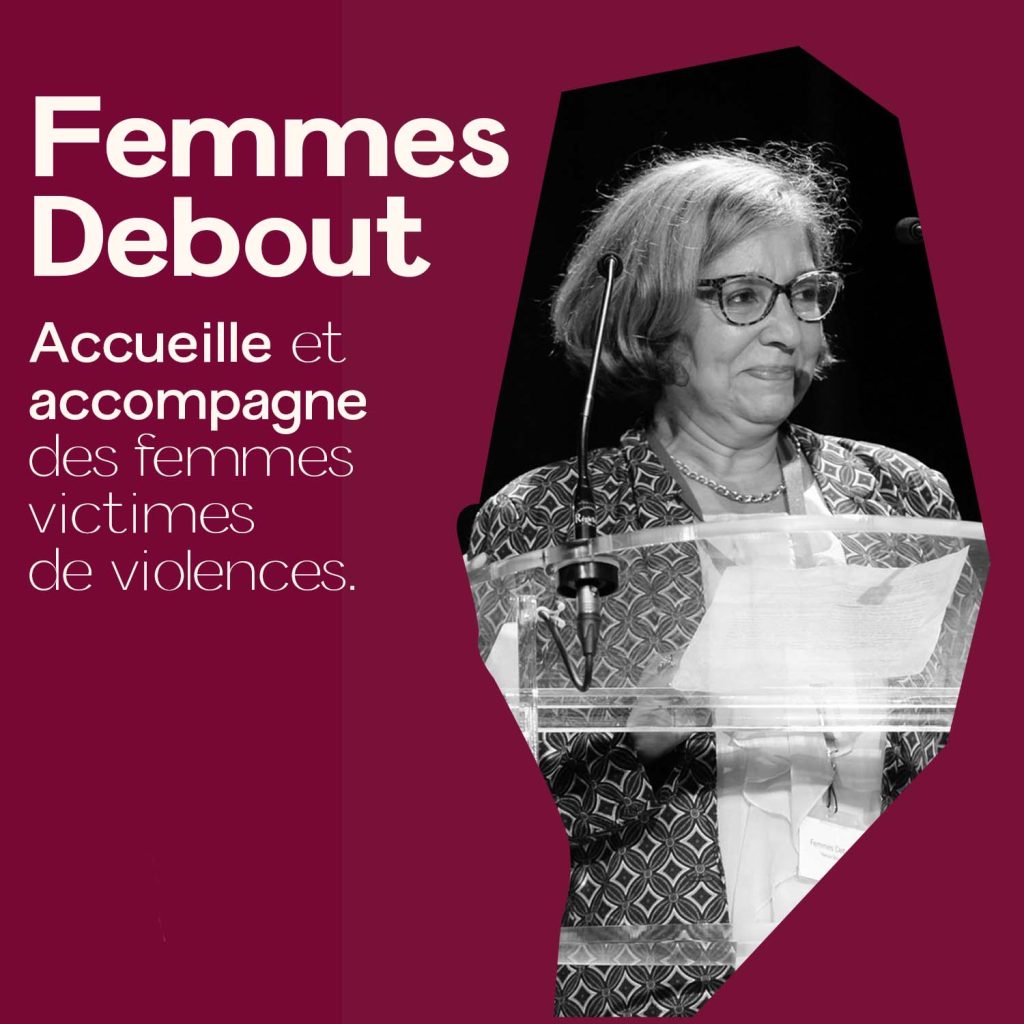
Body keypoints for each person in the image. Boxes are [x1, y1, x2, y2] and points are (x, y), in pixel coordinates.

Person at [468, 147, 974, 1017]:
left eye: (805, 294)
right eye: (742, 296)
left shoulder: (901, 497)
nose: (787, 331)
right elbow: (474, 834)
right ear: (652, 316)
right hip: (665, 994)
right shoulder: (548, 520)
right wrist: (634, 737)